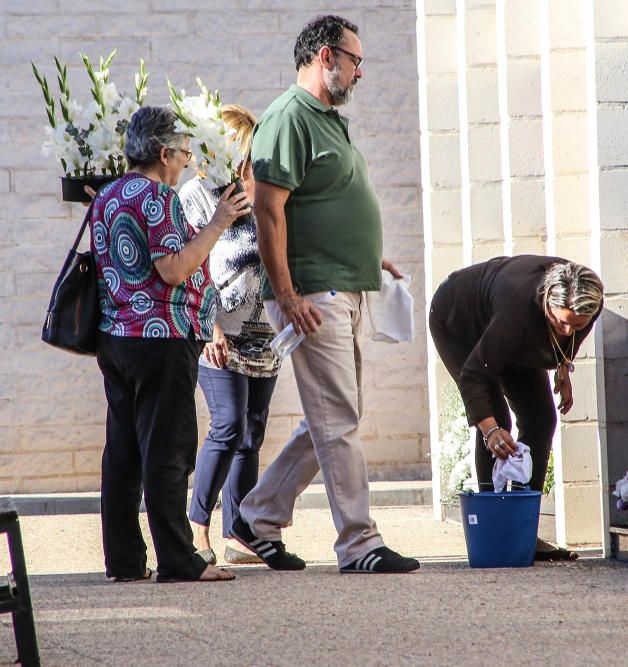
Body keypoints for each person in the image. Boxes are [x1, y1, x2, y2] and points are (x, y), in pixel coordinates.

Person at [232, 15, 420, 574]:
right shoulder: (289, 117)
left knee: (336, 413)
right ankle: (359, 544)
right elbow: (268, 210)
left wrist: (367, 256)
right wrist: (286, 295)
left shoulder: (329, 121)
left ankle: (258, 515)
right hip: (311, 293)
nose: (361, 72)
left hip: (344, 282)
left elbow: (327, 201)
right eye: (355, 60)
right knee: (338, 417)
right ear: (325, 57)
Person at [92, 105, 250, 582]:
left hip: (116, 338)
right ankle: (179, 560)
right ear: (163, 154)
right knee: (167, 450)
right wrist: (219, 221)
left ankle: (123, 560)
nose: (186, 162)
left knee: (122, 452)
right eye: (183, 153)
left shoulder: (108, 195)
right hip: (159, 339)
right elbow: (173, 268)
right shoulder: (158, 198)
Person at [429, 256, 604, 561]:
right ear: (546, 301)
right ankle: (491, 528)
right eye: (559, 320)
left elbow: (571, 333)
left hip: (509, 329)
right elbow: (474, 374)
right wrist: (490, 429)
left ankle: (523, 531)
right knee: (497, 417)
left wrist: (563, 366)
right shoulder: (518, 311)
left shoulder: (589, 301)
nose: (566, 330)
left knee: (541, 419)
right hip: (458, 319)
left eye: (576, 324)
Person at [179, 105, 278, 567]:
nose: (246, 160)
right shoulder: (197, 195)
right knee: (229, 425)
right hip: (219, 330)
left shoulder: (262, 192)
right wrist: (211, 326)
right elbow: (192, 266)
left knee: (252, 433)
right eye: (244, 149)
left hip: (267, 332)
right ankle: (196, 527)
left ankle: (240, 533)